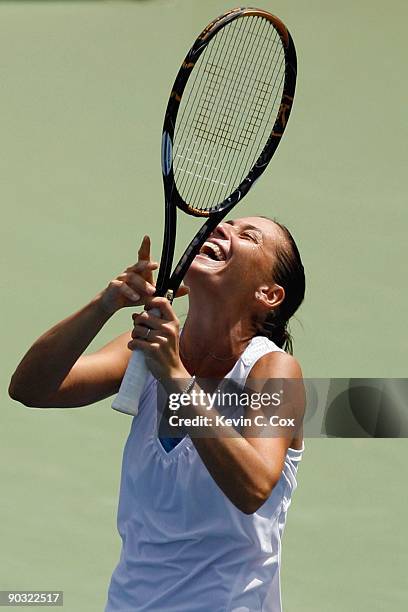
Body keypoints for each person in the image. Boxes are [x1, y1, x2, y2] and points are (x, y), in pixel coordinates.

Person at [9, 216, 306, 612]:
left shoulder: (274, 370)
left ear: (269, 294)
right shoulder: (149, 350)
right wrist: (104, 304)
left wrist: (175, 378)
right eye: (227, 224)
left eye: (247, 235)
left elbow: (252, 488)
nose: (222, 230)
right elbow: (31, 389)